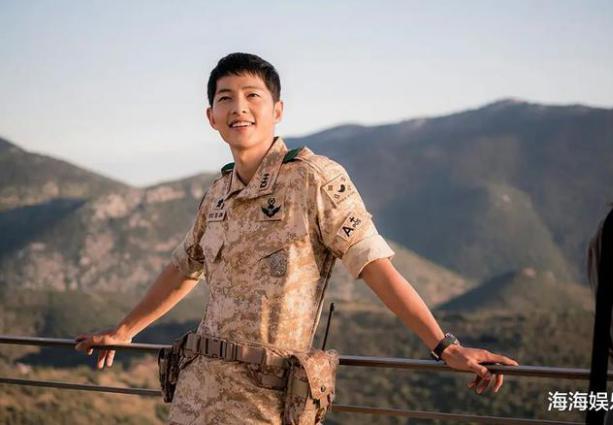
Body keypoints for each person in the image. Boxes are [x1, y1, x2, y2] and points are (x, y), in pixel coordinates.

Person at [75, 52, 519, 424]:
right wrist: (124, 331)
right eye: (225, 98)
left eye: (253, 96)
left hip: (265, 404)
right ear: (211, 117)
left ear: (278, 110)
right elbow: (183, 268)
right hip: (195, 397)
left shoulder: (314, 179)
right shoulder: (218, 193)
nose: (239, 108)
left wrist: (444, 346)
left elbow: (374, 266)